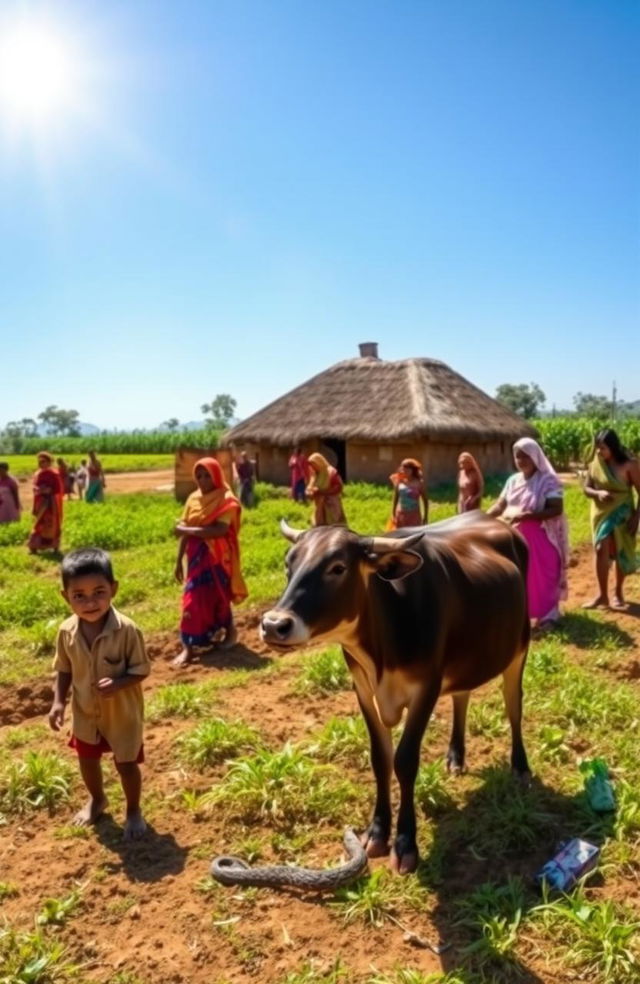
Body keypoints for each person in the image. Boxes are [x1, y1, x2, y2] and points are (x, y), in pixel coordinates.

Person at [48, 548, 149, 839]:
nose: (90, 602)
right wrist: (58, 702)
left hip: (122, 715)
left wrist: (119, 684)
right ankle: (97, 799)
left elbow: (142, 670)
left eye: (99, 592)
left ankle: (133, 810)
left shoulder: (128, 630)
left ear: (114, 589)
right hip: (85, 711)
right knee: (86, 759)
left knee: (126, 763)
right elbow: (63, 669)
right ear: (65, 596)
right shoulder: (66, 631)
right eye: (79, 595)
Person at [487, 437, 569, 630]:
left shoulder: (548, 480)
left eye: (526, 456)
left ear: (535, 457)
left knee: (543, 576)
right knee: (520, 577)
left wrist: (529, 516)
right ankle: (523, 614)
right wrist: (483, 516)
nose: (521, 460)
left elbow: (556, 509)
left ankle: (548, 615)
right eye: (518, 457)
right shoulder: (513, 480)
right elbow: (501, 505)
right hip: (514, 536)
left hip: (540, 536)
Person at [173, 457, 248, 667]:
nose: (203, 480)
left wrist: (185, 530)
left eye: (207, 475)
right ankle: (188, 647)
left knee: (219, 596)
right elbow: (185, 532)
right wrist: (179, 560)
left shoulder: (227, 500)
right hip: (196, 557)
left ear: (216, 475)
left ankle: (229, 633)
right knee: (192, 599)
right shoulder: (193, 499)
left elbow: (220, 530)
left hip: (218, 557)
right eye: (199, 475)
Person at [582, 428, 640, 611]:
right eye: (598, 447)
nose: (599, 451)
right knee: (601, 549)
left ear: (613, 447)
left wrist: (636, 518)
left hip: (623, 513)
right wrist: (597, 492)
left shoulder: (630, 465)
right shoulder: (595, 464)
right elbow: (586, 489)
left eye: (603, 448)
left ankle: (618, 592)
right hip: (601, 513)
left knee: (620, 549)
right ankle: (602, 595)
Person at [28, 452, 64, 553]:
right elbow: (34, 486)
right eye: (39, 461)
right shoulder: (37, 473)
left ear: (49, 462)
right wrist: (37, 489)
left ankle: (54, 547)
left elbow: (58, 489)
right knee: (38, 524)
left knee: (51, 524)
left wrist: (48, 490)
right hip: (40, 502)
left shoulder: (54, 474)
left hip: (50, 503)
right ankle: (34, 546)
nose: (40, 463)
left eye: (43, 461)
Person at [306, 453, 347, 526]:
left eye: (313, 464)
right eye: (311, 465)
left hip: (331, 504)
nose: (312, 467)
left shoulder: (331, 472)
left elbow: (338, 487)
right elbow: (310, 486)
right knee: (320, 527)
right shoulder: (315, 474)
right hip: (319, 505)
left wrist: (323, 492)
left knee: (333, 526)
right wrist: (309, 492)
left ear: (319, 462)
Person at [389, 458, 428, 528]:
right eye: (403, 469)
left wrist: (425, 516)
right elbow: (395, 498)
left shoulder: (419, 483)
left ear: (413, 470)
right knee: (401, 537)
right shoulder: (399, 482)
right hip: (401, 515)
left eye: (407, 469)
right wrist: (393, 513)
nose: (404, 471)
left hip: (414, 516)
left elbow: (425, 501)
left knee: (413, 536)